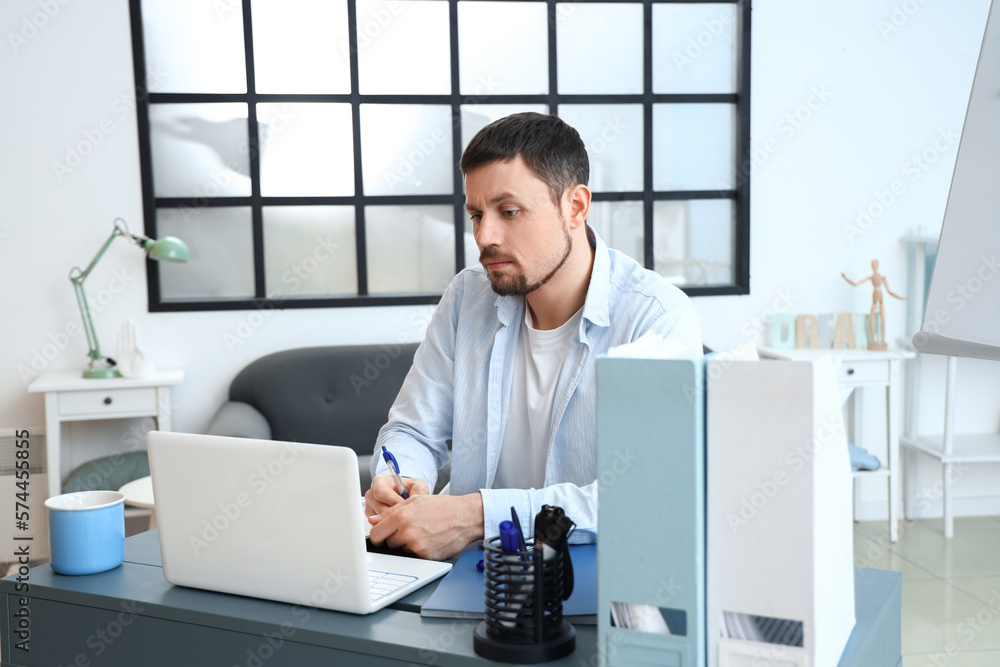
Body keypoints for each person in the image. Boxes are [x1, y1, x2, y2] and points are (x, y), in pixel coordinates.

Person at [365, 112, 702, 560]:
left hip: (590, 583)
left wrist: (476, 515)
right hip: (470, 576)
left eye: (509, 212)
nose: (485, 236)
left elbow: (647, 491)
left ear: (575, 207)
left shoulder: (657, 318)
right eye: (476, 214)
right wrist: (401, 478)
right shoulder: (468, 297)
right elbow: (411, 430)